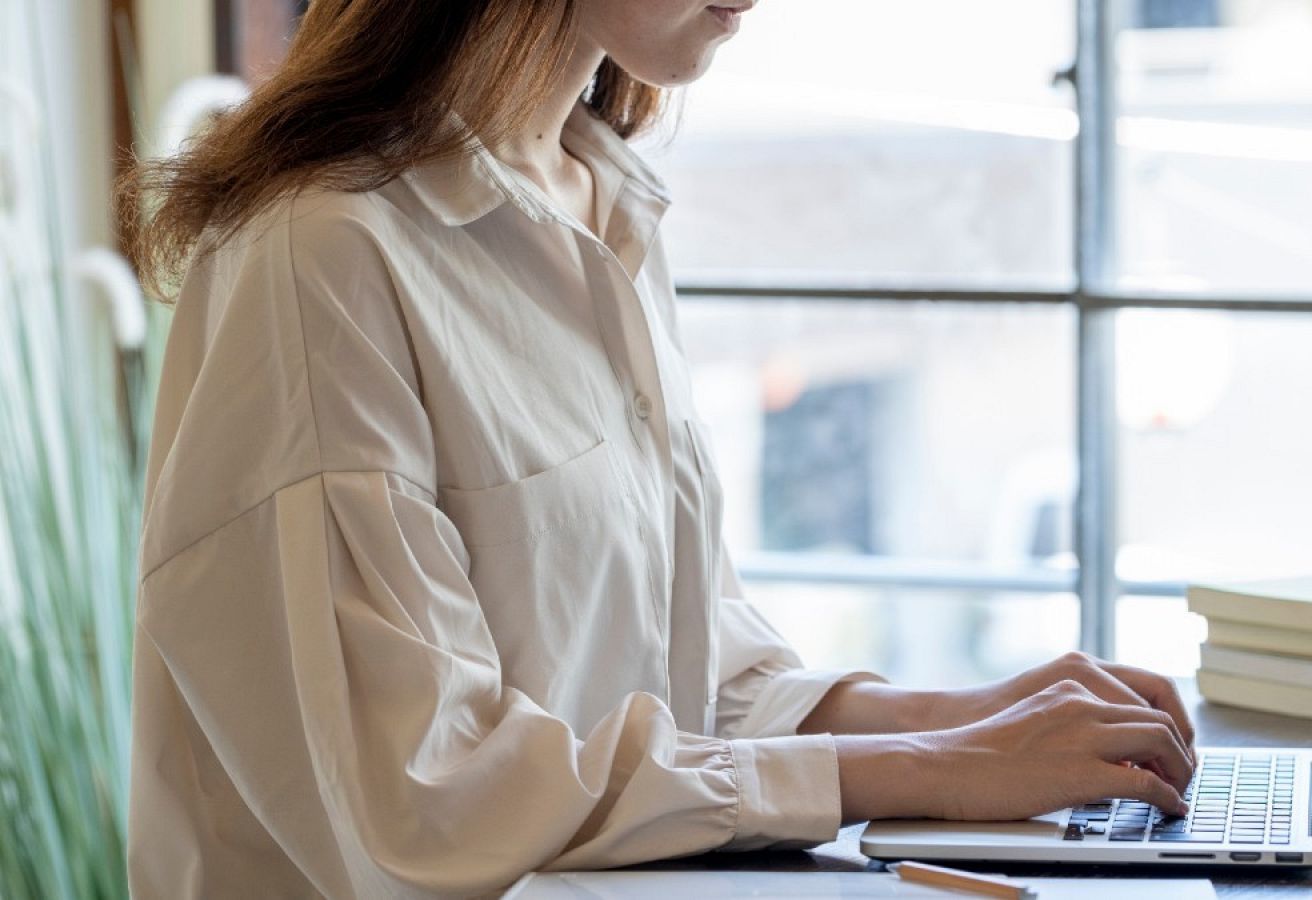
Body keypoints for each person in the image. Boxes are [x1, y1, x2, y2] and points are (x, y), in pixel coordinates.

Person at [120, 1, 1195, 896]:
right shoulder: (322, 254)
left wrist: (971, 718)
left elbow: (684, 665)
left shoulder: (601, 200)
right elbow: (427, 790)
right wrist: (920, 768)